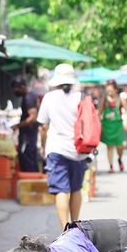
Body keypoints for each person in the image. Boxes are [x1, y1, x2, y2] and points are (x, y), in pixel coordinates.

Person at [37, 64, 89, 229]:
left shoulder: (49, 98)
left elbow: (43, 126)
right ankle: (75, 228)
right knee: (76, 189)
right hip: (78, 151)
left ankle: (65, 230)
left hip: (56, 149)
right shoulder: (81, 97)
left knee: (61, 190)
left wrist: (43, 146)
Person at [11, 78, 41, 172]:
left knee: (26, 157)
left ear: (22, 87)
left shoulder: (28, 98)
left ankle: (30, 182)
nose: (14, 91)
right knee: (31, 157)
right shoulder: (31, 95)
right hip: (31, 133)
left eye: (16, 88)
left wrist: (18, 125)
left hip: (28, 134)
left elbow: (32, 118)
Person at [100, 80, 126, 173]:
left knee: (120, 146)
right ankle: (111, 166)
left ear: (115, 90)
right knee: (109, 146)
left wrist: (126, 122)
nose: (109, 93)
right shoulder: (105, 100)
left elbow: (126, 112)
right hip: (107, 125)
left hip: (118, 125)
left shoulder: (120, 100)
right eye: (108, 91)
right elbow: (100, 112)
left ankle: (119, 158)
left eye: (111, 91)